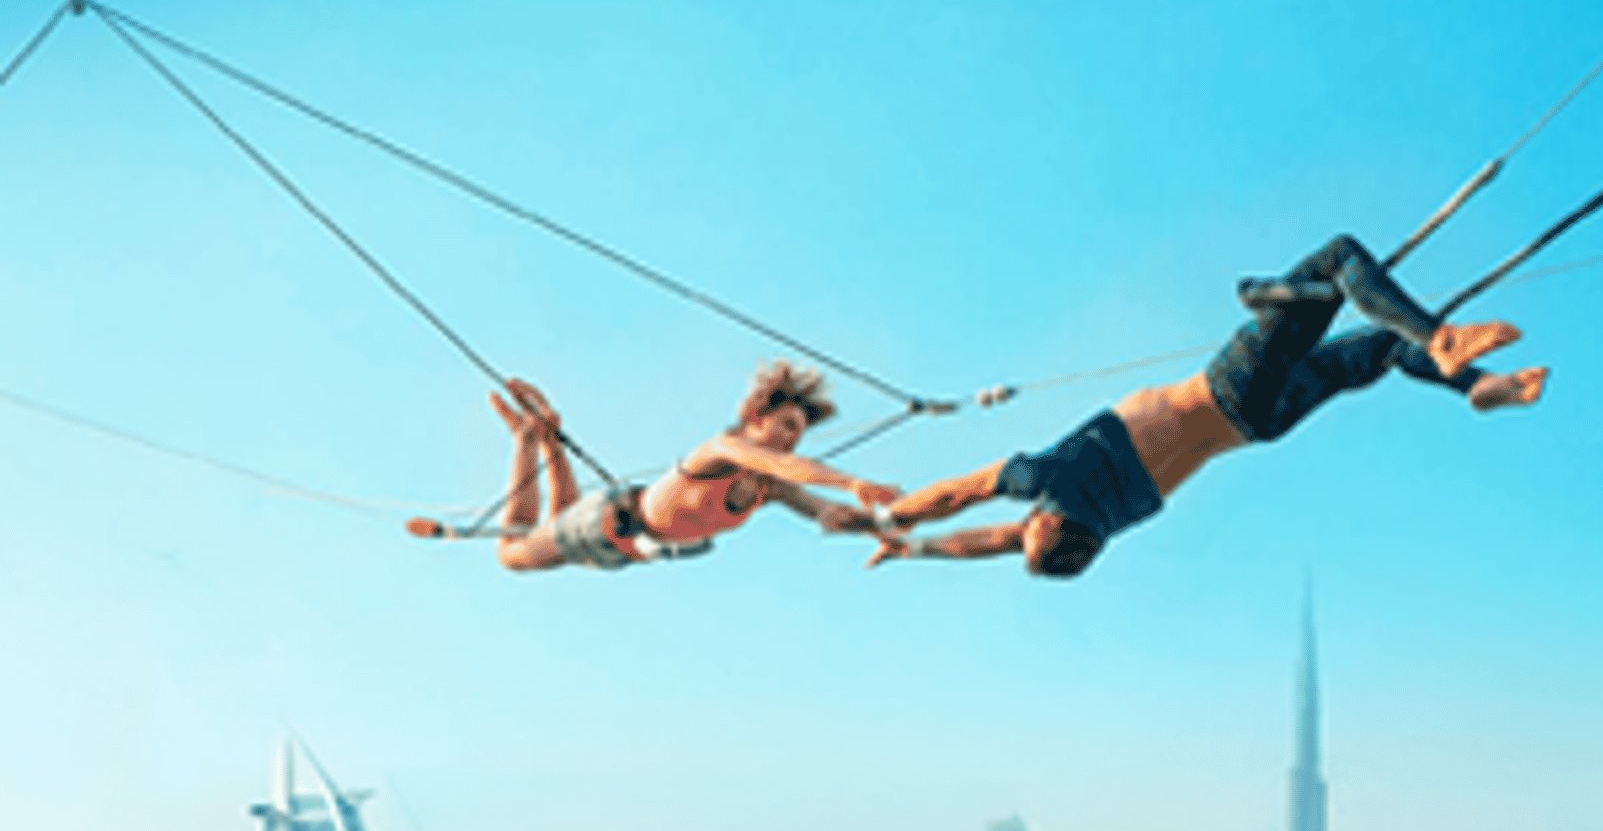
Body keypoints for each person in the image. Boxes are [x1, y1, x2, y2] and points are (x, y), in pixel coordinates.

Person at [860, 237, 1546, 580]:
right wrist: (891, 514)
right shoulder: (1047, 481)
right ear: (1052, 524)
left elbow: (989, 543)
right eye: (1032, 529)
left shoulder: (1104, 524)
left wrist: (911, 552)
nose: (1021, 527)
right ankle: (1441, 340)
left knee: (1375, 352)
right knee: (1336, 258)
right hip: (1234, 386)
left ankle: (1484, 388)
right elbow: (959, 498)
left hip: (1259, 426)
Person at [488, 366, 896, 570]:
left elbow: (824, 513)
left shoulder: (770, 487)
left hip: (627, 551)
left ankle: (546, 437)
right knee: (511, 553)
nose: (792, 438)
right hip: (612, 522)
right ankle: (527, 441)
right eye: (786, 424)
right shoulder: (720, 449)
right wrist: (850, 481)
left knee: (558, 520)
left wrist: (885, 525)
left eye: (799, 433)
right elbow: (785, 465)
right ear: (755, 416)